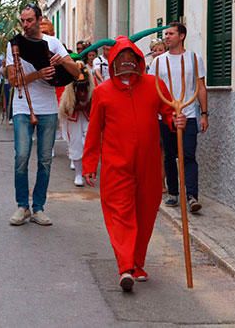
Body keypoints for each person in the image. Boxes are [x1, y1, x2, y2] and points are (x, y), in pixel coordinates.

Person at [82, 30, 187, 292]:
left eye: (131, 57)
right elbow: (94, 130)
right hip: (116, 165)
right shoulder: (104, 92)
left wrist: (177, 121)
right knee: (120, 214)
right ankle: (125, 267)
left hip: (149, 164)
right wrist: (89, 164)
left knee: (146, 212)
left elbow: (168, 115)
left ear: (138, 60)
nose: (126, 63)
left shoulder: (153, 85)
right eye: (122, 58)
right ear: (114, 61)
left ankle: (137, 263)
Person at [6, 3, 80, 226]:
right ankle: (22, 206)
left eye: (29, 20)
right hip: (22, 107)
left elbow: (76, 74)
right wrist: (37, 74)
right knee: (21, 157)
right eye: (23, 21)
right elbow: (13, 81)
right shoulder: (14, 46)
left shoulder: (53, 43)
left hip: (47, 108)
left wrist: (63, 61)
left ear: (39, 20)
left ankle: (38, 207)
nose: (25, 25)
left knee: (45, 160)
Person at [148, 22, 208, 212]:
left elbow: (200, 87)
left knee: (189, 155)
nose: (166, 37)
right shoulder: (158, 62)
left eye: (171, 33)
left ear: (181, 36)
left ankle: (191, 196)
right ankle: (173, 192)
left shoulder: (194, 58)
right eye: (166, 34)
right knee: (169, 155)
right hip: (165, 116)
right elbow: (152, 89)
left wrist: (204, 114)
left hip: (189, 115)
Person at [59, 61, 94, 185]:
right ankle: (78, 174)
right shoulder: (68, 93)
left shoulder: (92, 88)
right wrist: (76, 106)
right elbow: (65, 109)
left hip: (87, 118)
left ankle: (87, 169)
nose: (82, 92)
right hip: (74, 120)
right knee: (76, 145)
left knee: (88, 142)